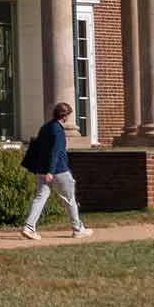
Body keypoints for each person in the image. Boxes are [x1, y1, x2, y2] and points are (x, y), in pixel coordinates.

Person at [20, 102, 90, 240]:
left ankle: (29, 227)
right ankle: (78, 229)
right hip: (58, 170)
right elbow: (55, 152)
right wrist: (50, 172)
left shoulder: (45, 127)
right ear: (65, 116)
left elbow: (37, 148)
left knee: (40, 198)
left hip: (42, 169)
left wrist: (43, 169)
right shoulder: (58, 130)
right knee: (70, 199)